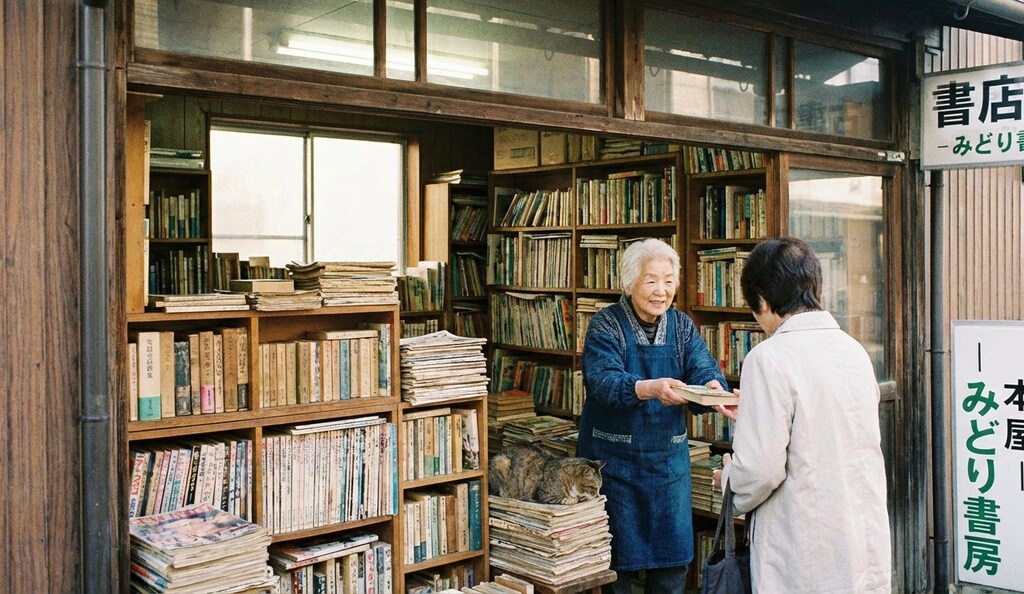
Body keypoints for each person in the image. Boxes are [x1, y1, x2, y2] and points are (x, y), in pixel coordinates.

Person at [716, 237, 891, 593]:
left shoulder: (768, 358)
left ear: (762, 301)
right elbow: (829, 427)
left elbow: (760, 470)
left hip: (803, 539)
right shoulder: (853, 351)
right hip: (859, 531)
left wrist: (729, 478)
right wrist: (753, 415)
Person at [577, 238, 729, 594]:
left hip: (667, 467)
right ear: (630, 283)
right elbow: (602, 381)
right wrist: (650, 388)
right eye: (651, 281)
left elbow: (704, 367)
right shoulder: (606, 324)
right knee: (617, 569)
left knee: (672, 565)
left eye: (669, 280)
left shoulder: (682, 327)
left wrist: (712, 389)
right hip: (614, 465)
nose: (661, 291)